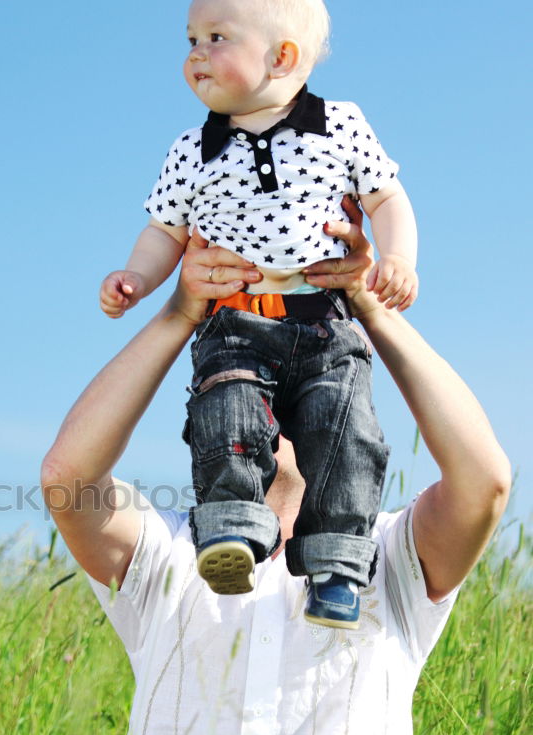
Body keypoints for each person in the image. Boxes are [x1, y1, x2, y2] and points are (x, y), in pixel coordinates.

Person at [40, 218, 510, 735]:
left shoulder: (387, 559)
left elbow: (485, 481)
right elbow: (66, 476)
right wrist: (179, 314)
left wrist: (370, 305)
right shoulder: (168, 558)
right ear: (206, 421)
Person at [99, 0, 420, 628]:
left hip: (325, 320)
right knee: (228, 413)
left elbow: (387, 198)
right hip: (236, 321)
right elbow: (164, 232)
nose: (194, 52)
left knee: (346, 432)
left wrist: (399, 257)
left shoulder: (340, 125)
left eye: (216, 37)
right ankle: (231, 533)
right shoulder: (192, 148)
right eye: (190, 38)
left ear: (283, 57)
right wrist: (137, 276)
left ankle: (335, 568)